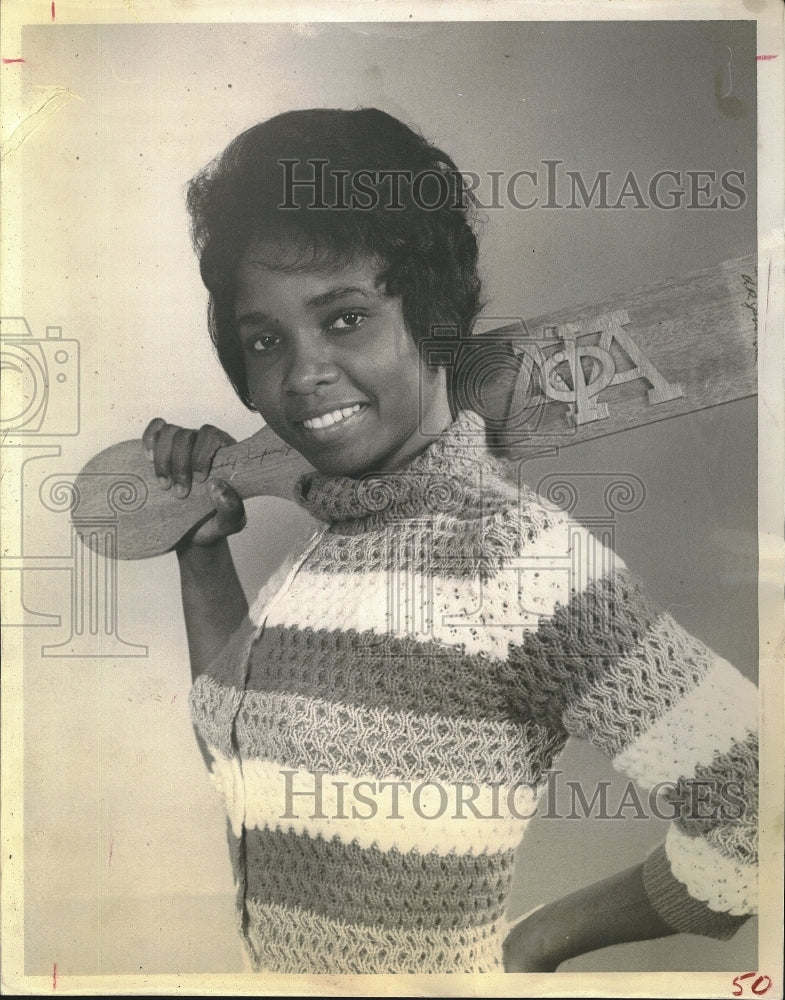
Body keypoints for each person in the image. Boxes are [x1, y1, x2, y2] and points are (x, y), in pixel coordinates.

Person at [143, 108, 758, 974]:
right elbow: (243, 754)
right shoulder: (331, 547)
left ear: (431, 317)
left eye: (345, 317)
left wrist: (539, 939)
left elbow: (755, 805)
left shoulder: (509, 557)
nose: (302, 370)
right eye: (265, 338)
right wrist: (201, 553)